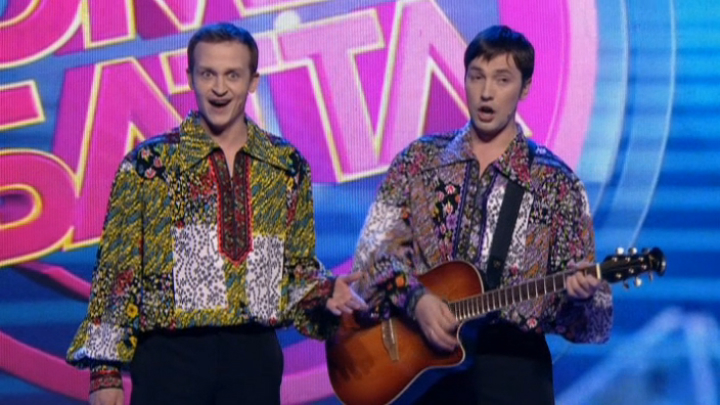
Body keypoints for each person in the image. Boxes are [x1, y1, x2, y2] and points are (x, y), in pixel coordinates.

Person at [66, 22, 367, 405]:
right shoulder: (149, 164)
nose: (220, 88)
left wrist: (324, 291)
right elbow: (117, 271)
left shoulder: (285, 165)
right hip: (169, 358)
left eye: (232, 75)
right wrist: (104, 373)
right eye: (208, 74)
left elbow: (295, 267)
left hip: (253, 358)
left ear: (253, 82)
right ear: (190, 77)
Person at [350, 25, 613, 404]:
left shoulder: (557, 183)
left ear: (524, 88)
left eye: (502, 80)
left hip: (514, 370)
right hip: (421, 368)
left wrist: (582, 297)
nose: (486, 92)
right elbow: (371, 261)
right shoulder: (419, 162)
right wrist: (416, 300)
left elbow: (596, 323)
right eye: (477, 77)